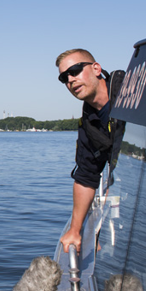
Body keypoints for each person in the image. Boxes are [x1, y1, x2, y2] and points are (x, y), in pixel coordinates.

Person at [56, 48, 122, 254]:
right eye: (64, 77)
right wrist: (75, 231)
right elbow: (86, 176)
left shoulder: (132, 94)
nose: (71, 80)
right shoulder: (89, 125)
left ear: (96, 68)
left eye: (75, 70)